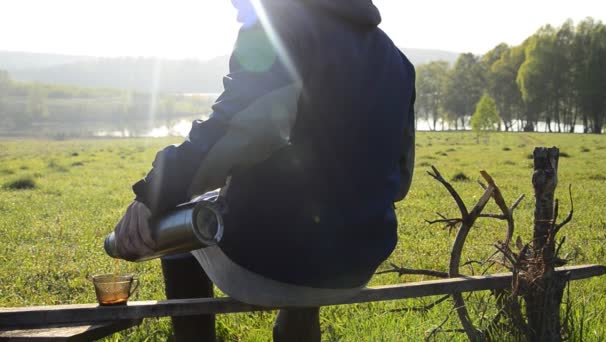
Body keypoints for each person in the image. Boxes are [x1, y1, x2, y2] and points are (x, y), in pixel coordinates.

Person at [112, 0, 416, 340]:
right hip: (358, 263)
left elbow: (236, 127)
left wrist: (155, 193)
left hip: (271, 262)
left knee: (182, 224)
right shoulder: (396, 60)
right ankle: (297, 329)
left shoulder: (278, 27)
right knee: (313, 206)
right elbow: (400, 181)